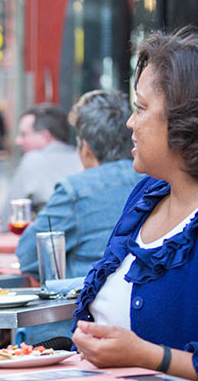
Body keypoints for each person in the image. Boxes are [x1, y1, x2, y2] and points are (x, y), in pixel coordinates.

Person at [72, 28, 198, 380]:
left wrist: (149, 356)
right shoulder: (147, 195)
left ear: (185, 121)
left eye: (141, 108)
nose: (130, 122)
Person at [14, 90, 143, 344]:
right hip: (137, 321)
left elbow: (29, 255)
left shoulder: (76, 190)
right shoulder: (154, 182)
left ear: (85, 147)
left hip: (79, 328)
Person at [3, 104, 82, 222]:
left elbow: (9, 219)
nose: (18, 141)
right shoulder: (82, 159)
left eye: (24, 134)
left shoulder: (33, 159)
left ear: (45, 137)